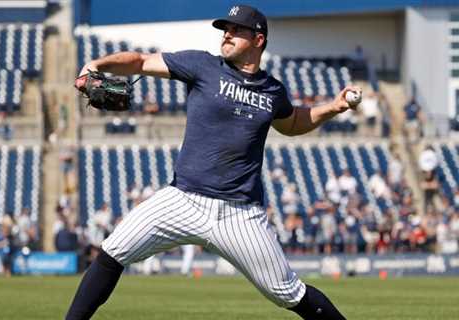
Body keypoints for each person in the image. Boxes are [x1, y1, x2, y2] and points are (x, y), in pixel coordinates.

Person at [66, 5, 356, 319]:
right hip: (183, 199)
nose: (226, 34)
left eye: (236, 30)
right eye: (225, 29)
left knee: (288, 293)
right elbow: (139, 61)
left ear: (258, 39)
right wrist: (95, 63)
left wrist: (335, 107)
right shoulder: (202, 65)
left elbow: (294, 122)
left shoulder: (273, 91)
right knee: (112, 252)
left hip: (239, 213)